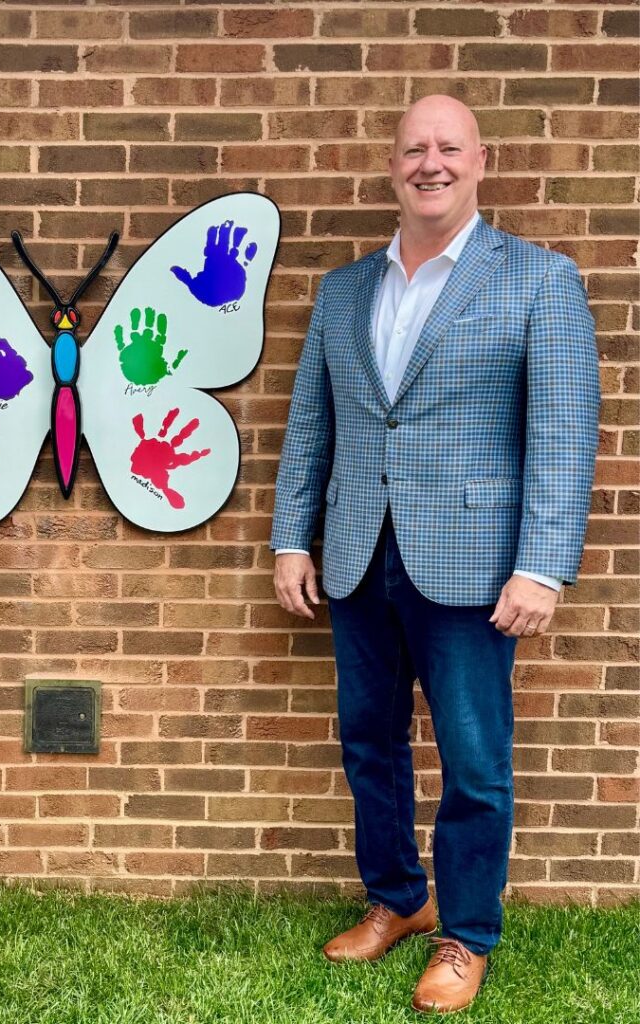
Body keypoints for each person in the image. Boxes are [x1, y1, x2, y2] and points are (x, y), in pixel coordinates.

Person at [271, 96, 598, 1014]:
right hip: (356, 555)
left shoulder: (538, 279)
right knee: (369, 742)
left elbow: (564, 434)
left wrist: (543, 564)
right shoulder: (344, 291)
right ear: (392, 166)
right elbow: (312, 427)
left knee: (473, 756)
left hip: (474, 563)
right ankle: (399, 900)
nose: (432, 163)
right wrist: (292, 536)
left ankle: (466, 934)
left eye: (449, 147)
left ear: (480, 161)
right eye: (415, 149)